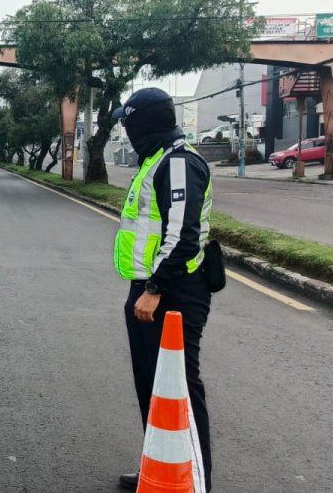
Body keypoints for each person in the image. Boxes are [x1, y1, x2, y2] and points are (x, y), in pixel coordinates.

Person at [111, 88, 213, 492]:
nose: (125, 128)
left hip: (171, 293)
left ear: (145, 122)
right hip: (149, 290)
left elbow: (183, 236)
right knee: (154, 389)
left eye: (129, 121)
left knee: (180, 391)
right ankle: (160, 466)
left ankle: (196, 482)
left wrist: (154, 287)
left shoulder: (179, 164)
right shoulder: (156, 162)